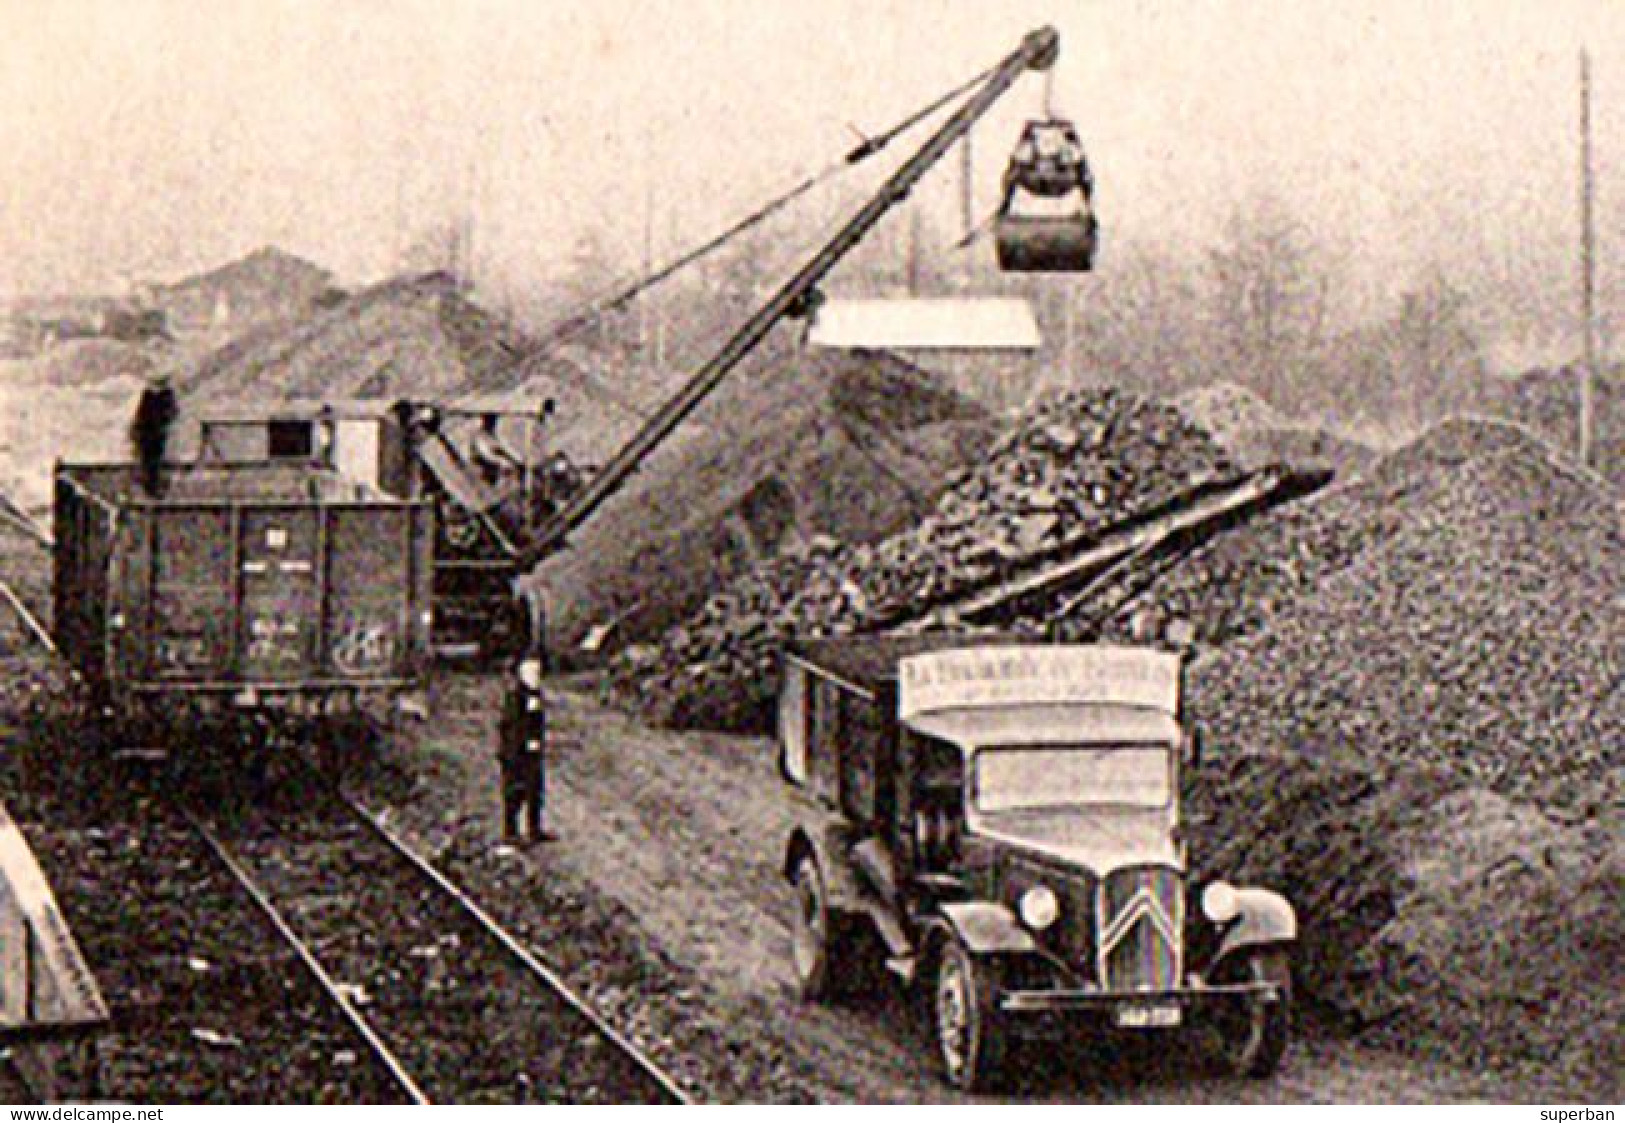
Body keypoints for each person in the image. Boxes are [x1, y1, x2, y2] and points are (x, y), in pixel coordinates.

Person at [498, 653, 550, 843]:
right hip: (516, 752)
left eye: (537, 673)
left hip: (532, 751)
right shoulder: (515, 697)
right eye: (530, 673)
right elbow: (511, 726)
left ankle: (534, 829)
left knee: (535, 789)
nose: (535, 677)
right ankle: (510, 833)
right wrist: (523, 743)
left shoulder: (534, 695)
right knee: (514, 791)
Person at [130, 374, 178, 497]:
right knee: (150, 461)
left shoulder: (160, 395)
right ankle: (151, 486)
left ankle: (152, 486)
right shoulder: (150, 395)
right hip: (149, 435)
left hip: (154, 434)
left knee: (152, 462)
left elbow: (172, 413)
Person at [469, 412, 520, 487]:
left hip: (485, 444)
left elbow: (498, 452)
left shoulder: (485, 460)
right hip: (485, 443)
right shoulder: (493, 463)